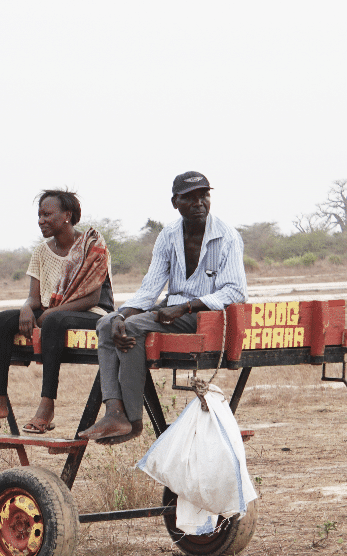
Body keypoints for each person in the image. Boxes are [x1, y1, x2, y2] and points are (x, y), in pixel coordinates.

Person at [78, 171, 247, 444]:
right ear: (174, 202)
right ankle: (114, 410)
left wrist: (186, 308)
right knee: (107, 323)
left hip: (207, 315)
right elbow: (150, 288)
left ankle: (132, 421)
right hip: (172, 308)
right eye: (189, 198)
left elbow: (235, 291)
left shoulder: (227, 237)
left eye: (203, 195)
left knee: (132, 327)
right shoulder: (168, 235)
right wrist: (120, 314)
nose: (198, 202)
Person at [0, 189, 114, 434]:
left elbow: (92, 297)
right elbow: (34, 298)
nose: (41, 220)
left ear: (67, 215)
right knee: (1, 320)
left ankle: (46, 406)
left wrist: (50, 314)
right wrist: (25, 309)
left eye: (47, 214)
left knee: (53, 321)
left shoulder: (92, 246)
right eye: (39, 215)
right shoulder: (41, 252)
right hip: (53, 313)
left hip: (92, 312)